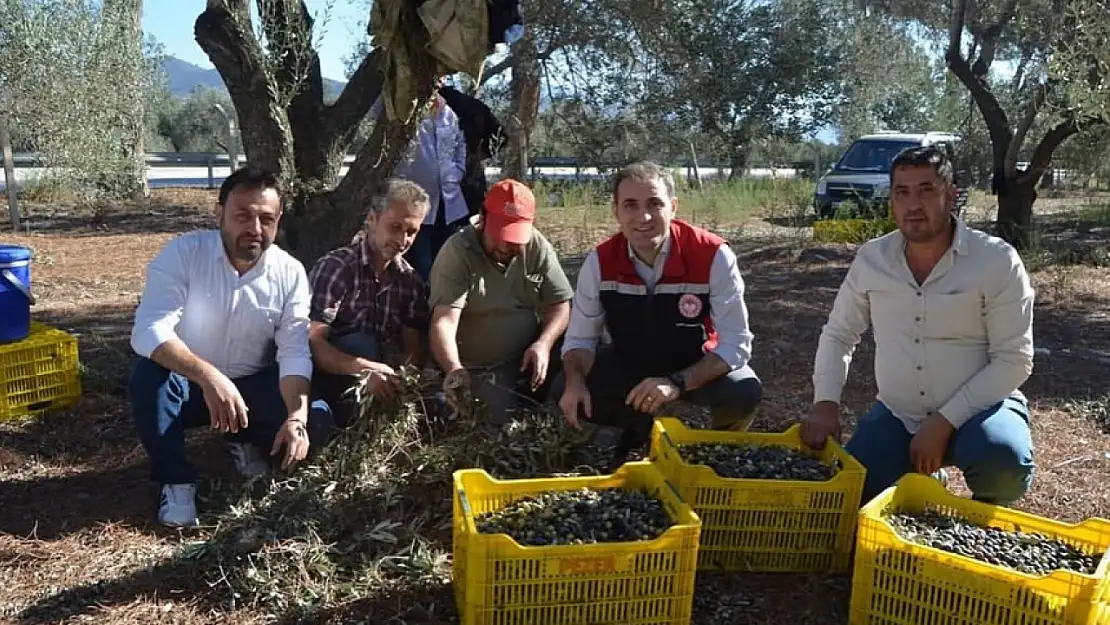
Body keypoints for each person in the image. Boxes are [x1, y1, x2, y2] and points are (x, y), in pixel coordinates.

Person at [800, 144, 1036, 506]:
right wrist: (825, 402)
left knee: (1003, 461)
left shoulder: (996, 260)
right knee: (855, 494)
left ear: (951, 195)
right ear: (891, 199)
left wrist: (942, 423)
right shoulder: (872, 259)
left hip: (981, 412)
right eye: (902, 192)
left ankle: (983, 520)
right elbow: (839, 334)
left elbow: (1014, 359)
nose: (913, 205)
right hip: (899, 413)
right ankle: (925, 475)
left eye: (927, 190)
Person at [129, 166, 334, 528]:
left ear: (279, 220)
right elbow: (148, 330)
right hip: (188, 387)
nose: (254, 229)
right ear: (219, 212)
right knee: (149, 377)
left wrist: (296, 418)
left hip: (251, 387)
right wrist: (207, 376)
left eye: (266, 218)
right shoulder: (184, 253)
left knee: (317, 419)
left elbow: (294, 352)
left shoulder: (290, 272)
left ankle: (242, 437)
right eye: (242, 215)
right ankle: (176, 480)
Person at [555, 161, 764, 469]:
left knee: (744, 391)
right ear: (616, 211)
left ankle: (717, 453)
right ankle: (637, 433)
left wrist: (677, 383)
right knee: (565, 388)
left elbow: (736, 344)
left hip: (695, 360)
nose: (644, 217)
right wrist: (575, 381)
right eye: (630, 205)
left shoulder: (713, 255)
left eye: (655, 204)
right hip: (629, 360)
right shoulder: (599, 262)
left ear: (674, 207)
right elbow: (580, 339)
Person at [428, 178, 574, 423]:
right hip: (476, 366)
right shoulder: (458, 251)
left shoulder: (536, 246)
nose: (506, 245)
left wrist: (543, 344)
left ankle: (556, 414)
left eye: (515, 237)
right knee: (493, 423)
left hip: (523, 357)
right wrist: (454, 367)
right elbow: (443, 322)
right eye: (500, 235)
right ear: (482, 220)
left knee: (578, 346)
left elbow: (559, 304)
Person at [307, 179, 432, 426]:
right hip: (333, 374)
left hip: (381, 377)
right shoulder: (337, 269)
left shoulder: (410, 281)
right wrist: (363, 369)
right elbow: (312, 341)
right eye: (394, 227)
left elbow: (411, 347)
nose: (402, 239)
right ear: (372, 219)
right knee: (360, 343)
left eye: (411, 232)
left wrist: (404, 379)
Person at [374, 90, 470, 282]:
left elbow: (460, 145)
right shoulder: (402, 106)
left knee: (449, 262)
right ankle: (419, 307)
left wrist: (457, 171)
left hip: (448, 204)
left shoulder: (448, 113)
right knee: (421, 267)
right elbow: (378, 110)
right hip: (413, 207)